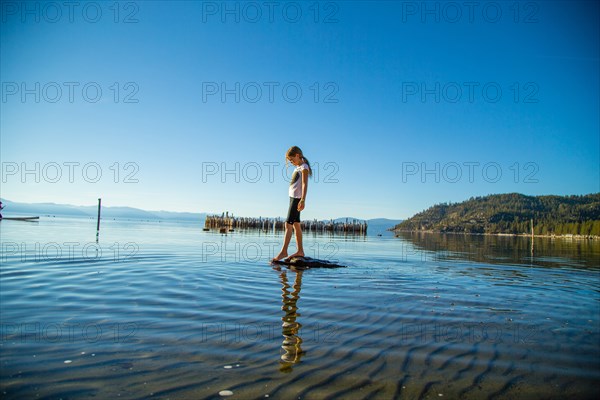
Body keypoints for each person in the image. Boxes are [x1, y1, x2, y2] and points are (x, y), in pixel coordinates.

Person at [272, 146, 312, 262]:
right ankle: (300, 251)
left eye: (292, 160)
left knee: (288, 224)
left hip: (296, 199)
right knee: (296, 224)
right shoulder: (298, 167)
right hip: (292, 198)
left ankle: (284, 251)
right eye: (289, 161)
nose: (291, 162)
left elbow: (304, 184)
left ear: (297, 155)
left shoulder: (304, 167)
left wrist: (303, 199)